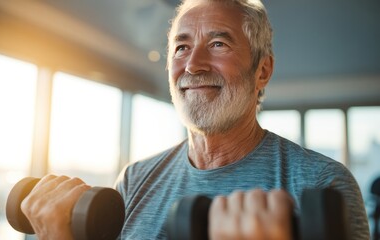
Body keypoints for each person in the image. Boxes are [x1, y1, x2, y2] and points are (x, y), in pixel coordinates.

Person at [20, 0, 370, 239]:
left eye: (218, 44)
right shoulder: (135, 179)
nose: (193, 65)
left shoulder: (322, 183)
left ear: (262, 70)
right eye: (181, 47)